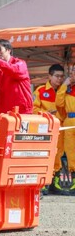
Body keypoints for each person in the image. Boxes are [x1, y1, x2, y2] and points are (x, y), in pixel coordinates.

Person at [0, 38, 33, 126]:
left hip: (22, 114)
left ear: (8, 50)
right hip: (5, 117)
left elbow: (15, 71)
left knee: (20, 140)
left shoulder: (20, 63)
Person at [33, 64, 66, 195]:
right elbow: (33, 109)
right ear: (49, 76)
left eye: (62, 76)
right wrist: (46, 114)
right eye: (57, 76)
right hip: (45, 129)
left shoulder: (65, 91)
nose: (60, 79)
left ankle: (55, 184)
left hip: (62, 128)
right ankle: (43, 184)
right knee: (44, 155)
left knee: (58, 155)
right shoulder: (40, 90)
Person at [55, 65, 75, 195]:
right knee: (70, 152)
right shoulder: (68, 88)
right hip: (69, 120)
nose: (71, 74)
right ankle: (73, 179)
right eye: (72, 72)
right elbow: (59, 103)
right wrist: (64, 87)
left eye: (74, 72)